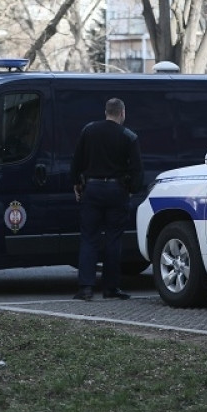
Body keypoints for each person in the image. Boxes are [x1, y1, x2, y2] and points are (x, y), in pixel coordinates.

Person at [69, 97, 143, 301]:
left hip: (91, 189)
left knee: (89, 238)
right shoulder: (128, 136)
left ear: (106, 112)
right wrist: (131, 189)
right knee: (113, 240)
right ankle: (111, 288)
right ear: (122, 113)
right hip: (116, 190)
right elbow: (137, 169)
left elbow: (77, 161)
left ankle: (85, 288)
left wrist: (77, 183)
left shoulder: (89, 131)